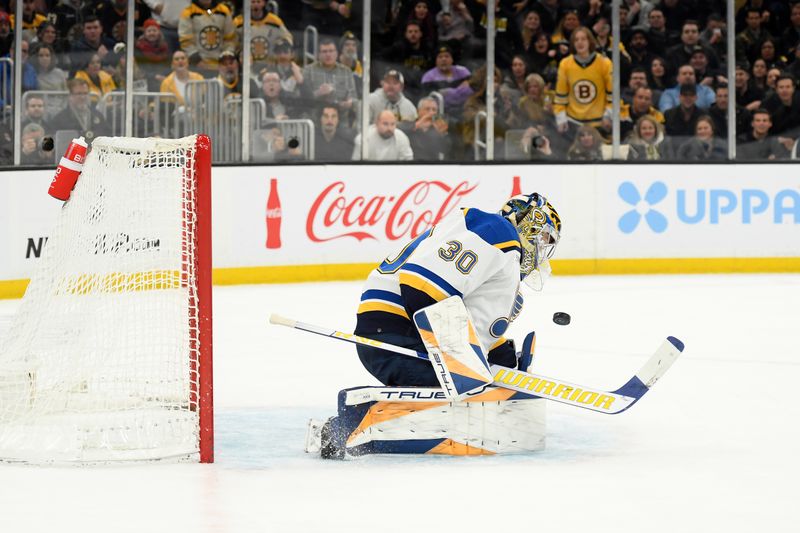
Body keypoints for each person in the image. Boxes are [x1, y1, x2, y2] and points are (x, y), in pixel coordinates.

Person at [352, 191, 561, 387]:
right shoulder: (497, 230)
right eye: (543, 237)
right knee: (473, 388)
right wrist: (466, 363)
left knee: (476, 383)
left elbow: (460, 308)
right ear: (528, 224)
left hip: (396, 334)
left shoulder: (501, 260)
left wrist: (498, 353)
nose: (543, 248)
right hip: (398, 337)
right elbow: (420, 288)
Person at [553, 26, 613, 136]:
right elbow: (560, 98)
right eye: (576, 40)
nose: (580, 43)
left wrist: (608, 116)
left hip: (599, 123)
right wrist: (561, 119)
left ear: (590, 41)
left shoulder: (605, 63)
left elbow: (613, 96)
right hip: (573, 122)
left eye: (583, 39)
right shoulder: (565, 64)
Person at [178, 0, 235, 78]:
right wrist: (197, 61)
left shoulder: (224, 11)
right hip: (197, 66)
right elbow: (185, 40)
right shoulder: (188, 12)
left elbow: (230, 38)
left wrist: (226, 59)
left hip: (221, 66)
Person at [234, 0, 292, 74]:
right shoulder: (238, 22)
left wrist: (280, 45)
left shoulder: (275, 21)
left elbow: (287, 37)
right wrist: (239, 53)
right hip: (246, 67)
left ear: (264, 3)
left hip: (270, 66)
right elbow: (231, 41)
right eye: (253, 2)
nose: (256, 5)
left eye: (258, 2)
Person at [302, 38, 356, 116]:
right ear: (318, 54)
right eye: (324, 51)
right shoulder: (308, 70)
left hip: (340, 118)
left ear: (337, 53)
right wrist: (318, 93)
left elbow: (354, 96)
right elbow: (301, 98)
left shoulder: (346, 71)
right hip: (314, 117)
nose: (328, 54)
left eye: (331, 51)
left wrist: (349, 102)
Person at [51, 78, 110, 143]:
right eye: (79, 94)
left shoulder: (98, 115)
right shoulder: (60, 119)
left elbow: (107, 135)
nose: (83, 97)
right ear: (70, 96)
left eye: (85, 93)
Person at [398, 96, 451, 160]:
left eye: (434, 110)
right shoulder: (409, 125)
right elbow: (397, 131)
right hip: (412, 165)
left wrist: (443, 134)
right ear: (418, 111)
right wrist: (417, 125)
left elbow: (447, 150)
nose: (431, 113)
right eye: (427, 109)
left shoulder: (438, 129)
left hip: (432, 166)